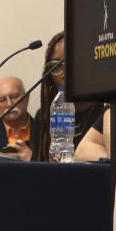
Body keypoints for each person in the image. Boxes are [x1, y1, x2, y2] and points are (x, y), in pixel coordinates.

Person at [35, 31, 105, 161]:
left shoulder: (105, 111)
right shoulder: (43, 116)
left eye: (70, 62)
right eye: (56, 65)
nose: (64, 72)